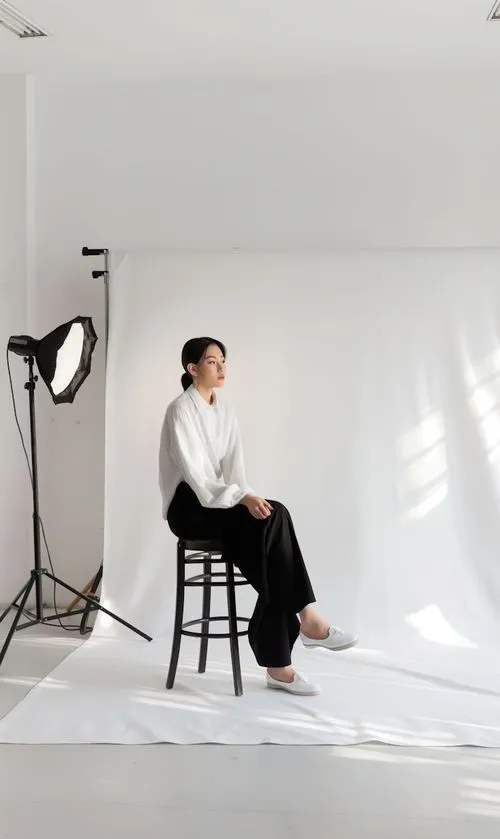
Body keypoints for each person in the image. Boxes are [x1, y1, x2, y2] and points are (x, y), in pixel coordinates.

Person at [159, 337, 358, 695]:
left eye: (223, 360)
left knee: (273, 517)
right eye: (212, 361)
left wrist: (248, 498)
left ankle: (286, 654)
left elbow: (235, 474)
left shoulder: (226, 412)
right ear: (192, 369)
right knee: (271, 526)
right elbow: (198, 479)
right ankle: (297, 635)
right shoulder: (180, 410)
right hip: (189, 508)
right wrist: (242, 499)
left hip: (220, 502)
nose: (221, 367)